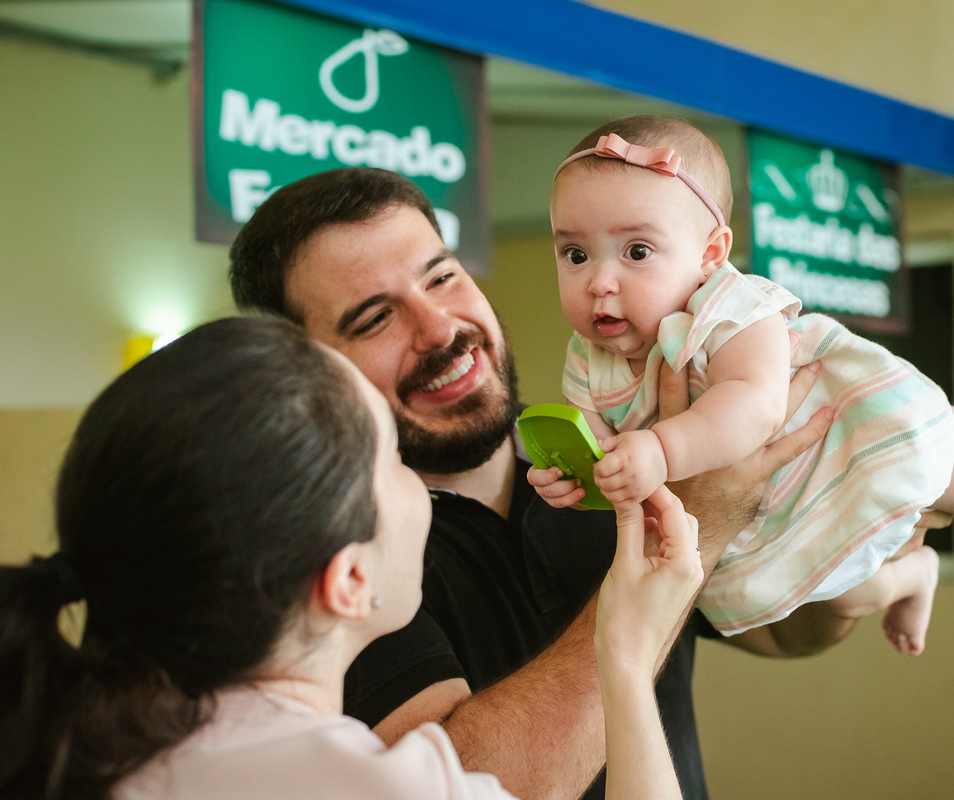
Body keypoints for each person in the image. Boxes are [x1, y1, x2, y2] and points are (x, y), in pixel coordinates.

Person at [227, 166, 840, 800]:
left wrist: (853, 527)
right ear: (307, 369)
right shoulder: (326, 560)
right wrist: (700, 523)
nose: (440, 328)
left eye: (441, 278)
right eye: (375, 318)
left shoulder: (608, 445)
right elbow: (465, 786)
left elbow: (780, 631)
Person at [0, 316, 706, 800]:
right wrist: (624, 652)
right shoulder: (381, 788)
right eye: (393, 461)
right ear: (350, 579)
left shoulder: (90, 755)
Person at [532, 114, 954, 657]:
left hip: (860, 425)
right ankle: (913, 576)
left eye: (637, 252)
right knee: (840, 589)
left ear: (711, 256)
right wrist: (580, 483)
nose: (599, 281)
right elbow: (610, 459)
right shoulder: (587, 361)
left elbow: (755, 404)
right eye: (575, 255)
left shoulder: (728, 308)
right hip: (783, 508)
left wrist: (659, 448)